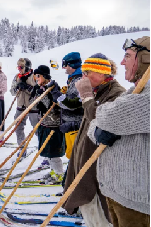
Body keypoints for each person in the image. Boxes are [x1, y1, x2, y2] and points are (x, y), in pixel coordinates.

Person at [87, 37, 150, 227]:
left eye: (128, 56)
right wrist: (99, 128)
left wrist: (102, 120)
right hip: (117, 193)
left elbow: (106, 116)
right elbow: (94, 125)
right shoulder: (134, 92)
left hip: (137, 201)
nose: (122, 62)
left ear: (146, 59)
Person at [63, 53, 126, 227]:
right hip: (85, 159)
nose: (84, 76)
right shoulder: (98, 91)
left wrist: (86, 97)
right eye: (83, 72)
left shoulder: (116, 93)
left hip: (99, 168)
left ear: (101, 74)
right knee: (88, 210)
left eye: (88, 72)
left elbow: (101, 121)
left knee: (99, 215)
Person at [47, 52, 84, 170]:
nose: (63, 68)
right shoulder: (73, 79)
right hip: (68, 123)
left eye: (65, 65)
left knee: (76, 155)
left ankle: (76, 179)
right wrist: (59, 91)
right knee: (70, 154)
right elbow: (68, 98)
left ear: (71, 65)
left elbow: (73, 104)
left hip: (75, 125)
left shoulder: (79, 80)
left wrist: (58, 96)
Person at [30, 65, 64, 182]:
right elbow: (34, 105)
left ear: (44, 76)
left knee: (53, 153)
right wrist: (35, 93)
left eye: (38, 76)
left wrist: (42, 95)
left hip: (53, 125)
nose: (36, 78)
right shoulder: (41, 87)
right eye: (35, 76)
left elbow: (52, 106)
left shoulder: (53, 88)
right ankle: (53, 171)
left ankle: (59, 174)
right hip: (44, 123)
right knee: (47, 152)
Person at [10, 58, 39, 147]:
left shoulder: (35, 76)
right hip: (20, 106)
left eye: (21, 67)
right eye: (18, 67)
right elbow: (12, 92)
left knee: (37, 129)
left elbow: (38, 93)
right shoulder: (17, 77)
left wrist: (27, 87)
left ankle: (45, 150)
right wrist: (18, 88)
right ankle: (21, 148)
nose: (19, 69)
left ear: (27, 67)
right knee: (18, 127)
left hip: (33, 106)